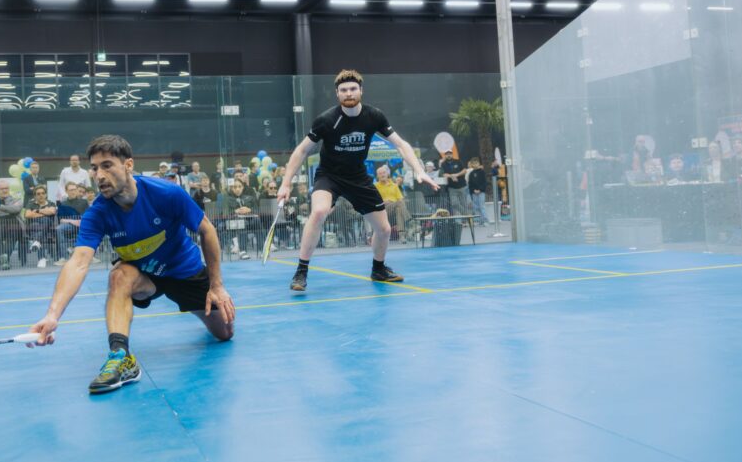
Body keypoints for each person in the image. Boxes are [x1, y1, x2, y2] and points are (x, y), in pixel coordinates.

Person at [28, 135, 235, 394]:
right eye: (94, 168)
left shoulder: (166, 193)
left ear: (128, 165)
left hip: (185, 272)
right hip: (145, 276)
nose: (99, 175)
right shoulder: (98, 213)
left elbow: (207, 230)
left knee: (225, 333)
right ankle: (120, 356)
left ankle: (196, 307)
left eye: (107, 166)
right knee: (119, 275)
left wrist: (217, 286)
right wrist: (52, 315)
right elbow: (78, 262)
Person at [276, 69, 438, 291]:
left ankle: (378, 269)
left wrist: (419, 170)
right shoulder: (326, 120)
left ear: (361, 90)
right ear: (337, 94)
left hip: (358, 177)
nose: (349, 93)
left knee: (384, 230)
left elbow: (400, 144)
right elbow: (302, 150)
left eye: (353, 89)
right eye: (343, 90)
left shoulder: (375, 117)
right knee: (320, 211)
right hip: (329, 176)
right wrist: (285, 183)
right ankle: (301, 272)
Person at [439, 151, 469, 216]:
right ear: (445, 155)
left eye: (450, 154)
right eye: (447, 154)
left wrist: (456, 175)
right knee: (454, 203)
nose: (448, 155)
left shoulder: (458, 161)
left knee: (464, 203)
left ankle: (466, 219)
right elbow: (443, 174)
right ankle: (467, 215)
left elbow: (464, 170)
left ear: (452, 154)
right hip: (452, 188)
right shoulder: (443, 164)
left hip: (462, 186)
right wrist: (452, 176)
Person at [466, 158, 489, 225]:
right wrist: (473, 190)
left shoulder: (482, 172)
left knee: (482, 206)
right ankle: (480, 221)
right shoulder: (471, 173)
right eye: (473, 163)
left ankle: (485, 220)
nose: (475, 165)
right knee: (476, 207)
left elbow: (484, 182)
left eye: (476, 163)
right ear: (471, 164)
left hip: (481, 192)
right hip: (474, 193)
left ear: (479, 164)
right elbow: (470, 184)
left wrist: (480, 190)